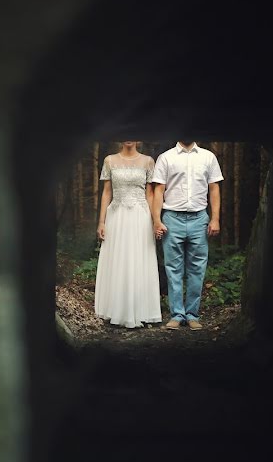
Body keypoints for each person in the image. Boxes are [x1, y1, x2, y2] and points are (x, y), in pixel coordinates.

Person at [151, 141, 223, 330]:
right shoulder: (166, 157)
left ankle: (192, 315)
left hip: (199, 218)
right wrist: (156, 220)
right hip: (172, 218)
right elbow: (159, 190)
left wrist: (215, 219)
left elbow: (214, 188)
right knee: (173, 269)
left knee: (197, 269)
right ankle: (176, 315)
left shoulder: (208, 157)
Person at [94, 141, 162, 328]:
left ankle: (141, 311)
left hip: (140, 216)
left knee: (139, 259)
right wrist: (102, 221)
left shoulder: (148, 161)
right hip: (117, 215)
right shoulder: (110, 160)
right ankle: (116, 309)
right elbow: (107, 192)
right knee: (119, 260)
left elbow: (150, 193)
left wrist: (154, 220)